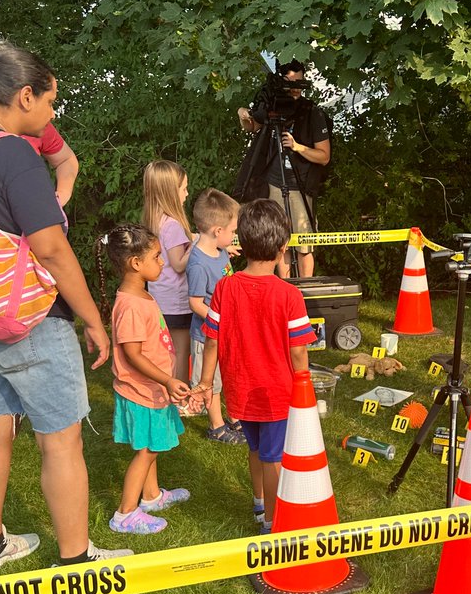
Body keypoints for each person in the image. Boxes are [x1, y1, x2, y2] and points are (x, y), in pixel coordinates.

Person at [0, 44, 132, 574]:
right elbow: (51, 249)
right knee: (61, 441)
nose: (52, 114)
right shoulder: (13, 152)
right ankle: (75, 559)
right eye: (50, 101)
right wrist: (93, 320)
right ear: (25, 95)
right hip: (26, 319)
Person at [194, 199, 314, 531]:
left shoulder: (224, 287)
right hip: (278, 393)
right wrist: (305, 389)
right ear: (283, 247)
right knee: (274, 459)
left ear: (241, 243)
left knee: (256, 448)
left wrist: (206, 382)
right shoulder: (289, 295)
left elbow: (212, 340)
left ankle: (260, 504)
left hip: (240, 391)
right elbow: (299, 352)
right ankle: (274, 523)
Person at [96, 225, 195, 536]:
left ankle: (151, 496)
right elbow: (134, 355)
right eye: (156, 257)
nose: (162, 262)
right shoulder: (131, 305)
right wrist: (167, 380)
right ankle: (125, 514)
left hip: (151, 389)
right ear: (135, 263)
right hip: (143, 391)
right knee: (148, 450)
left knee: (151, 446)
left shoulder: (139, 295)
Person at [236, 59, 331, 278]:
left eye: (299, 82)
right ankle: (284, 287)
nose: (295, 88)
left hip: (300, 185)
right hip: (274, 183)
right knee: (280, 241)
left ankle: (305, 292)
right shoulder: (273, 108)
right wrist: (243, 114)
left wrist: (298, 147)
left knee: (304, 244)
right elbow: (252, 125)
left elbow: (324, 156)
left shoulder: (312, 112)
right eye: (290, 82)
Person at [186, 188, 245, 443]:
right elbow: (195, 303)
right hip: (206, 336)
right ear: (217, 231)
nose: (234, 236)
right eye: (232, 231)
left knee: (228, 376)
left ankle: (233, 418)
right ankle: (216, 427)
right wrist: (219, 318)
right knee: (211, 382)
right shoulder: (198, 264)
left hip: (226, 332)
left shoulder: (220, 251)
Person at [141, 159, 194, 387]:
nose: (187, 194)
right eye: (183, 189)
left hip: (161, 297)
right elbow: (179, 264)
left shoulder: (155, 221)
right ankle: (180, 393)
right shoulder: (172, 225)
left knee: (167, 348)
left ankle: (168, 388)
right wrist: (198, 245)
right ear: (170, 192)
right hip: (177, 300)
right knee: (182, 350)